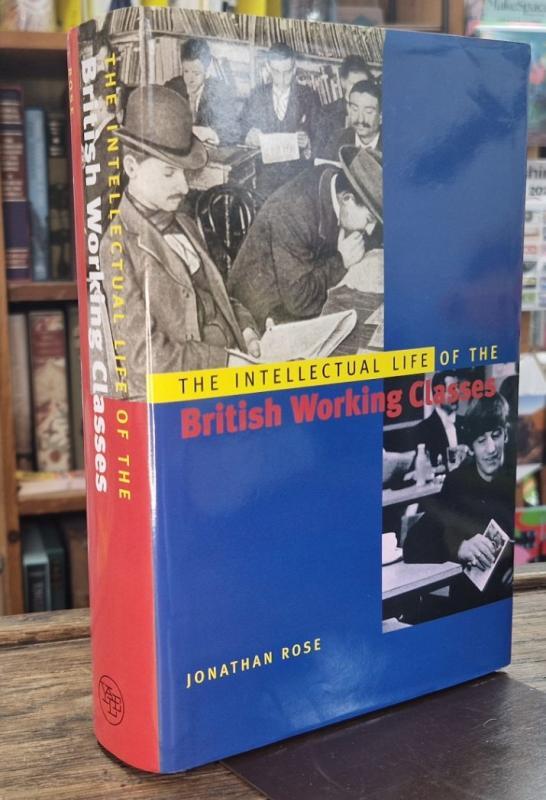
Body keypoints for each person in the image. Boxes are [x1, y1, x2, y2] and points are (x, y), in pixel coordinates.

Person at [100, 85, 260, 400]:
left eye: (185, 173)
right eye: (169, 173)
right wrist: (225, 363)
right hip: (187, 397)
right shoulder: (117, 246)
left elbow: (217, 296)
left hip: (237, 370)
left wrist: (246, 329)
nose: (185, 187)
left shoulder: (185, 223)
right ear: (132, 168)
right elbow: (144, 360)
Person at [227, 146, 383, 333]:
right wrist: (341, 262)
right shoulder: (293, 212)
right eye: (369, 220)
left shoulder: (334, 181)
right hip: (260, 310)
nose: (369, 230)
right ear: (347, 199)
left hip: (302, 287)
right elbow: (299, 301)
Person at [404, 393, 515, 613]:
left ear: (506, 435)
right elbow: (413, 545)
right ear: (471, 447)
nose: (491, 448)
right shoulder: (458, 482)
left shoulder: (523, 476)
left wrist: (523, 564)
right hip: (470, 604)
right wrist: (459, 547)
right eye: (481, 441)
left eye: (496, 435)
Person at [240, 43, 320, 198]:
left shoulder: (309, 96)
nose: (282, 79)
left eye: (287, 72)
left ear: (294, 69)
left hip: (298, 178)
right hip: (264, 177)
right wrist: (249, 135)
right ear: (268, 68)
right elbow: (241, 127)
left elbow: (320, 136)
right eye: (276, 72)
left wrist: (308, 142)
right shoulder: (257, 95)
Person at [166, 38, 239, 144]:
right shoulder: (172, 87)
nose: (190, 79)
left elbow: (234, 131)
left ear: (207, 70)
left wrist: (211, 133)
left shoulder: (219, 91)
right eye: (186, 71)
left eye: (196, 73)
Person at [320, 80, 382, 162]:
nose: (360, 119)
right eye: (355, 109)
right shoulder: (337, 140)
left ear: (381, 116)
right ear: (348, 110)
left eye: (368, 112)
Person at [411, 370, 463, 468]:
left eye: (457, 388)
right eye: (452, 389)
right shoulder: (422, 430)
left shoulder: (466, 423)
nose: (457, 393)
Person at [319, 55, 371, 142]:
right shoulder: (326, 113)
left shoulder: (374, 112)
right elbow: (320, 147)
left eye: (363, 84)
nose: (359, 89)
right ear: (343, 82)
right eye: (354, 84)